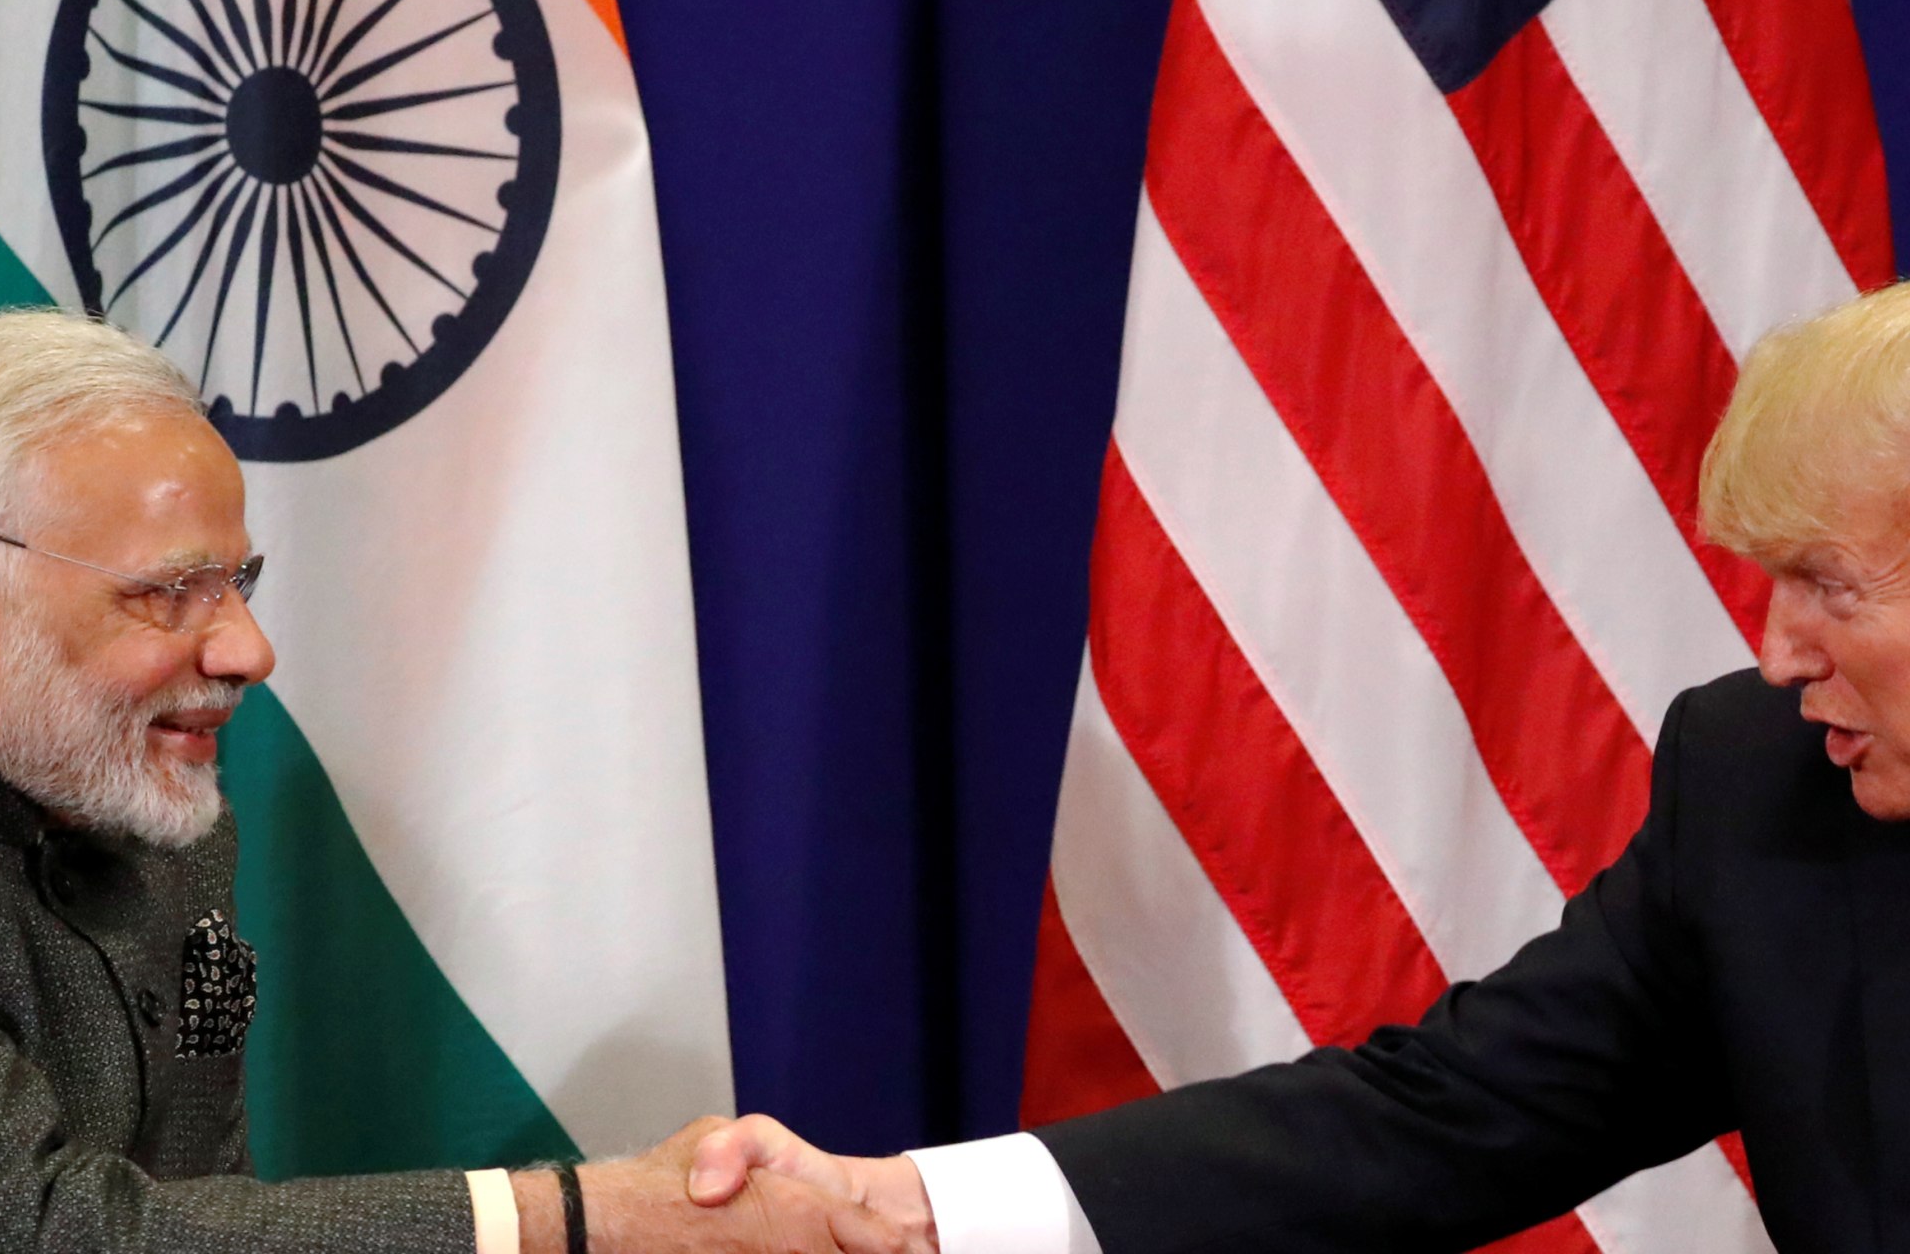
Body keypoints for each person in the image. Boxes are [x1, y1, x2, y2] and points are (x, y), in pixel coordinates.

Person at [682, 282, 1910, 1252]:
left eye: (1829, 586)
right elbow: (1440, 1114)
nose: (1777, 653)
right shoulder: (1767, 787)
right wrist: (911, 1203)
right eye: (1773, 581)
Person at [0, 307, 908, 1254]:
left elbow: (203, 1194)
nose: (250, 651)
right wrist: (604, 1217)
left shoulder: (176, 829)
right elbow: (41, 1230)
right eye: (170, 591)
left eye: (237, 584)